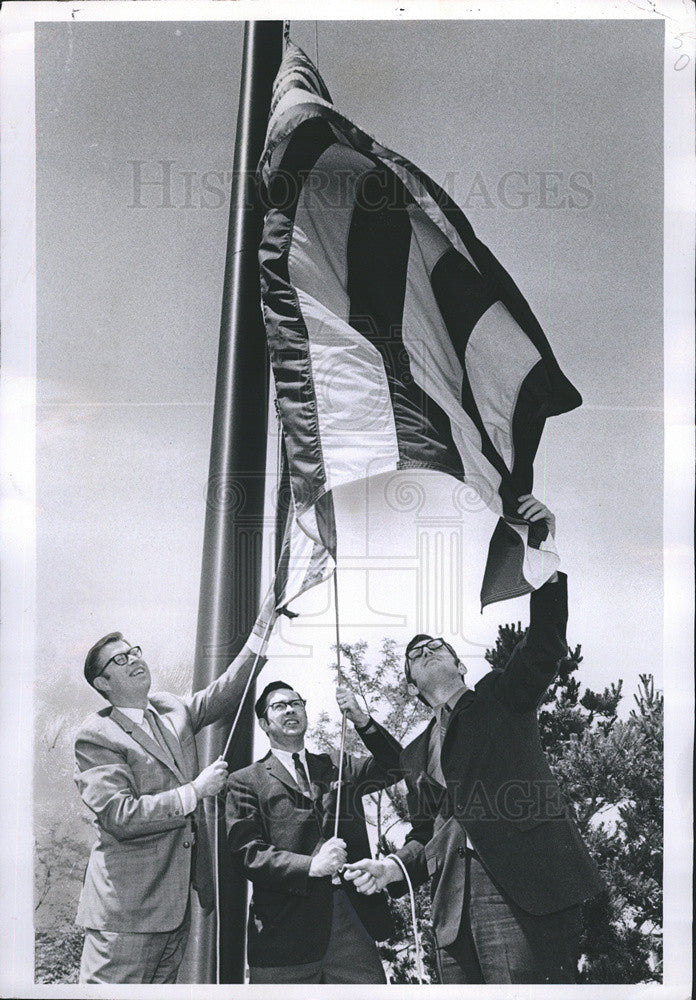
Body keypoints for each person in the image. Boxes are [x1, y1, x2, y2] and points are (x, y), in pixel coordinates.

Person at [344, 496, 606, 984]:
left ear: (460, 664)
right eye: (414, 655)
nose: (424, 650)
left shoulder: (500, 696)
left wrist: (542, 550)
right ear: (410, 686)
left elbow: (545, 641)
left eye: (435, 646)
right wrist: (392, 870)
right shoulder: (418, 752)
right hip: (450, 907)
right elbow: (425, 830)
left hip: (517, 886)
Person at [73, 592, 277, 984]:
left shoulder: (171, 709)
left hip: (176, 909)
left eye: (134, 651)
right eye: (120, 659)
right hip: (125, 917)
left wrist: (263, 628)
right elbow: (120, 816)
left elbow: (226, 691)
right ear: (103, 682)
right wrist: (195, 792)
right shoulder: (96, 734)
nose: (134, 659)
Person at [225, 680, 403, 984]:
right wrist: (312, 866)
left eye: (297, 703)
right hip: (282, 934)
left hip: (350, 923)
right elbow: (248, 854)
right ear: (264, 723)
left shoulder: (338, 764)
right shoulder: (245, 781)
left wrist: (362, 720)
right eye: (279, 706)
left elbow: (396, 766)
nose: (291, 710)